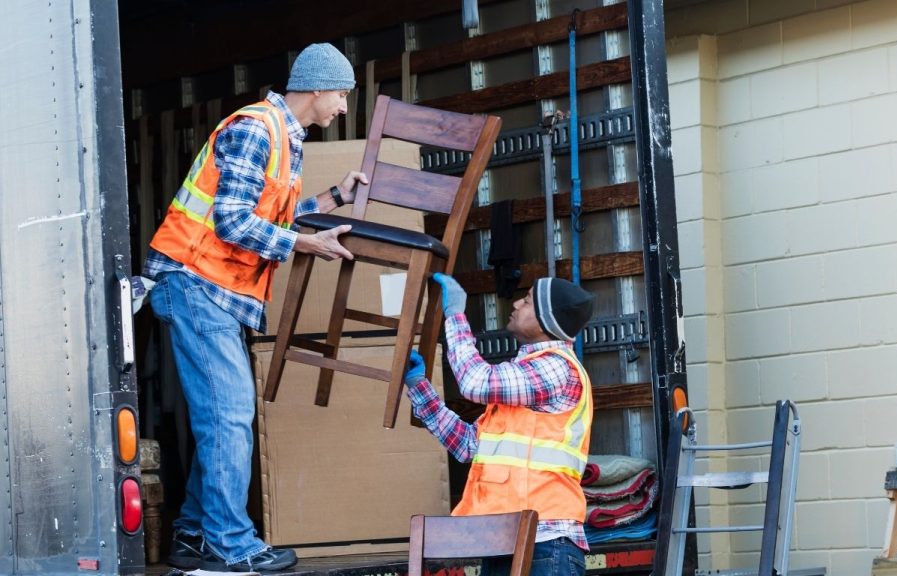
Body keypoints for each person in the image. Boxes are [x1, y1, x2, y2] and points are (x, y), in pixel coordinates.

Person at [145, 43, 363, 573]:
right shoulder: (255, 129)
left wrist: (333, 197)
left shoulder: (287, 139)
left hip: (214, 289)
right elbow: (233, 223)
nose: (342, 108)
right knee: (230, 416)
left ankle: (196, 534)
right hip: (196, 282)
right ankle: (230, 542)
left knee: (225, 416)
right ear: (315, 87)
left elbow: (270, 218)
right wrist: (308, 246)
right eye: (341, 94)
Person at [404, 273, 596, 576]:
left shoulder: (557, 368)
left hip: (543, 544)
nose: (517, 303)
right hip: (504, 540)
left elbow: (473, 381)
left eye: (529, 300)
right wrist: (419, 387)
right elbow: (469, 446)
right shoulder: (525, 377)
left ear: (548, 321)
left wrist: (455, 317)